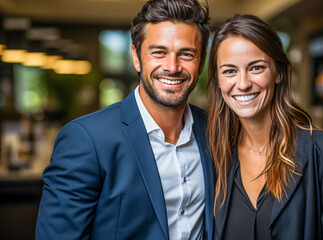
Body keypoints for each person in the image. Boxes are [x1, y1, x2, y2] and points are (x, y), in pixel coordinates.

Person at [36, 0, 213, 239]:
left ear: (201, 62)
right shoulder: (86, 138)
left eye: (186, 54)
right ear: (136, 57)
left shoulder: (215, 129)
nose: (172, 67)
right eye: (159, 52)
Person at [207, 15, 323, 240]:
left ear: (278, 73)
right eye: (229, 71)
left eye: (256, 68)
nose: (242, 84)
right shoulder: (214, 157)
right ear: (219, 80)